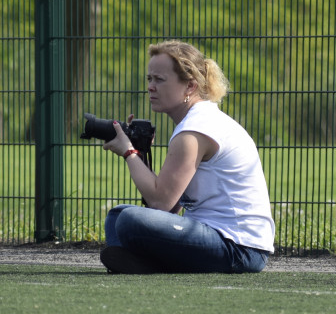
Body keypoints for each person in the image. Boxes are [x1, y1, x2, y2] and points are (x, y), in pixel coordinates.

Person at [99, 40, 274, 274]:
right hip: (220, 237)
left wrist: (129, 152)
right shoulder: (196, 122)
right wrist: (139, 154)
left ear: (190, 86)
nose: (151, 86)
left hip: (239, 248)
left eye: (159, 80)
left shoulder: (194, 130)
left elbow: (160, 203)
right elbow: (171, 209)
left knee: (129, 221)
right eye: (149, 79)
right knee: (117, 216)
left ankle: (150, 264)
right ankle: (148, 264)